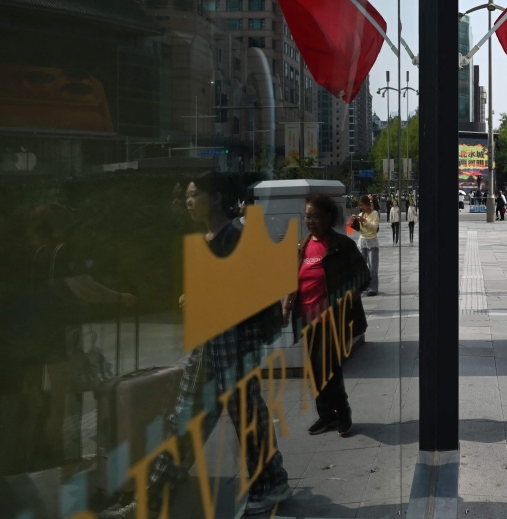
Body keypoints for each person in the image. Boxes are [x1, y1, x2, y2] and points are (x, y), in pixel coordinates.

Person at [113, 173, 290, 518]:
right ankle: (151, 495)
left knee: (246, 417)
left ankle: (271, 485)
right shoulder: (209, 237)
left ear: (217, 197)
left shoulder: (234, 236)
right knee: (183, 419)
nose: (188, 201)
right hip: (208, 344)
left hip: (234, 343)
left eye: (195, 195)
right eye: (187, 196)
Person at [285, 194, 370, 437]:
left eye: (315, 216)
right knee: (316, 369)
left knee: (329, 367)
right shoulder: (303, 245)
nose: (310, 221)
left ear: (328, 217)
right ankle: (326, 415)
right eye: (307, 217)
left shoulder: (342, 244)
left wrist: (354, 290)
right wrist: (286, 304)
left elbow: (363, 273)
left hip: (334, 317)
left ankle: (342, 414)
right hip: (308, 319)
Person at [353, 195, 380, 296]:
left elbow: (374, 228)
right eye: (360, 206)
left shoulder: (374, 214)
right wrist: (356, 223)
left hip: (372, 242)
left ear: (368, 204)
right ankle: (364, 287)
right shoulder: (361, 214)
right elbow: (361, 229)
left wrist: (365, 221)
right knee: (362, 266)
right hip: (362, 241)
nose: (361, 207)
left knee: (373, 266)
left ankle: (373, 288)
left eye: (362, 205)